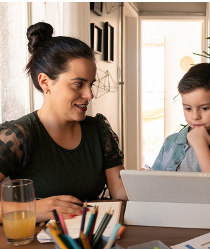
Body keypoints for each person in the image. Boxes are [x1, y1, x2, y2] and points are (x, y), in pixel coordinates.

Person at [0, 22, 127, 223]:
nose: (89, 94)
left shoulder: (99, 131)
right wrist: (34, 209)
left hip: (91, 238)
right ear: (45, 82)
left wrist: (144, 183)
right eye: (78, 84)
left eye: (90, 84)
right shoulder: (17, 136)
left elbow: (120, 192)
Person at [152, 63, 210, 206]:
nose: (195, 116)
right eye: (188, 108)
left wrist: (200, 145)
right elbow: (154, 187)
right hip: (168, 217)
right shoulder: (171, 142)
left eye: (204, 108)